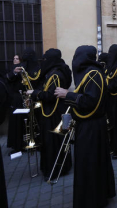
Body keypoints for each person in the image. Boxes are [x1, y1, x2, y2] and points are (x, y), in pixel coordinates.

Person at [55, 45, 116, 208]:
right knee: (93, 162)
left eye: (77, 56)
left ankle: (92, 199)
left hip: (91, 127)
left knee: (89, 163)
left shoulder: (94, 74)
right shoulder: (91, 72)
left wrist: (67, 95)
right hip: (91, 125)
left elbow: (91, 101)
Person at [26, 49, 72, 181]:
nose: (43, 62)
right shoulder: (57, 71)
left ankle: (56, 169)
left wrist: (33, 93)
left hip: (53, 114)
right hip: (56, 112)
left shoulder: (56, 74)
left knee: (54, 142)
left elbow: (50, 95)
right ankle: (62, 167)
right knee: (58, 140)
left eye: (45, 59)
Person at [7, 48, 41, 154]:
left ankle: (33, 143)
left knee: (32, 123)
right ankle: (19, 145)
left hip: (32, 99)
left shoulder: (37, 68)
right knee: (19, 123)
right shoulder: (18, 68)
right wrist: (15, 72)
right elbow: (9, 79)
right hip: (19, 99)